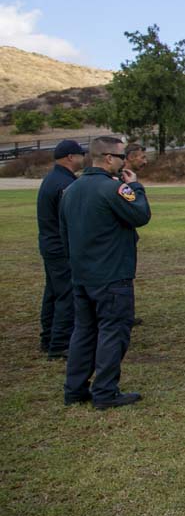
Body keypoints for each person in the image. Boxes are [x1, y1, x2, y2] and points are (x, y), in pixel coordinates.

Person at [59, 136, 151, 409]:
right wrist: (134, 185)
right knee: (114, 332)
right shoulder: (112, 189)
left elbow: (65, 235)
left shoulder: (72, 190)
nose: (125, 162)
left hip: (83, 275)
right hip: (111, 275)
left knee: (84, 332)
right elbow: (140, 215)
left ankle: (74, 389)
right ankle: (105, 392)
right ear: (109, 158)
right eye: (123, 157)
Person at [37, 139, 86, 359]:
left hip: (49, 244)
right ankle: (60, 344)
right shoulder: (64, 184)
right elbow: (71, 218)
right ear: (70, 157)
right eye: (80, 155)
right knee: (66, 293)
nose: (83, 159)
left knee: (53, 293)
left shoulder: (52, 178)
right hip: (60, 247)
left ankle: (48, 338)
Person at [124, 143, 149, 327]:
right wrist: (136, 187)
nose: (145, 161)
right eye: (142, 157)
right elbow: (139, 212)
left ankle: (126, 313)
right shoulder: (121, 181)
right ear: (131, 157)